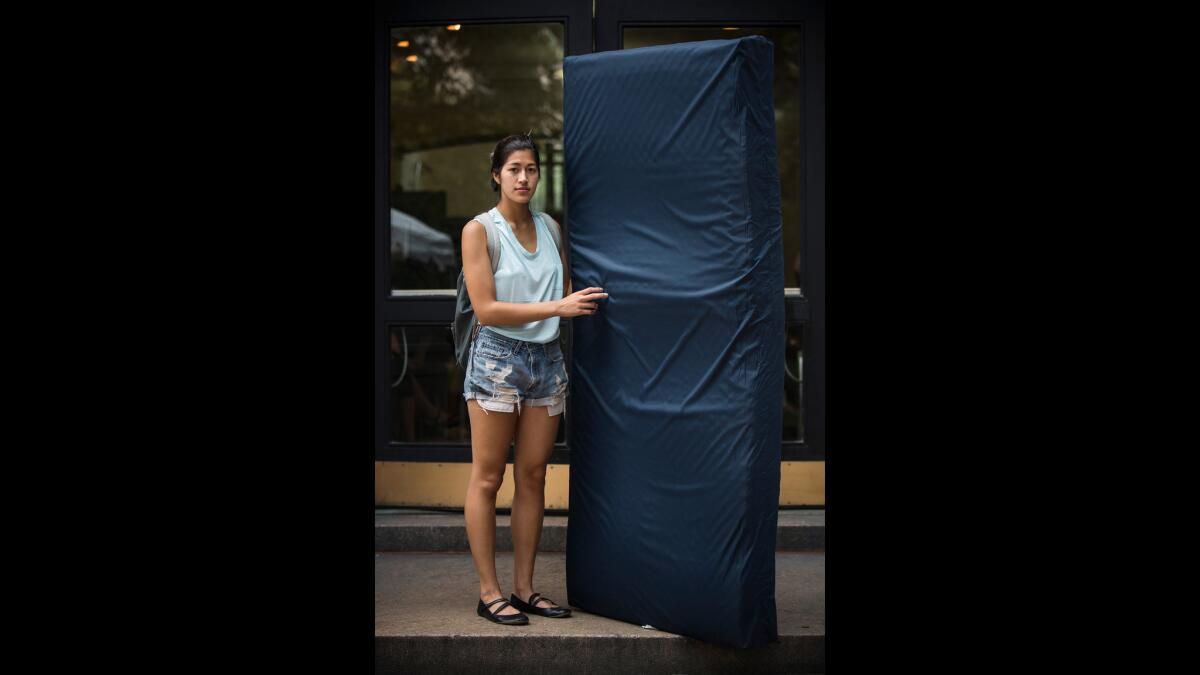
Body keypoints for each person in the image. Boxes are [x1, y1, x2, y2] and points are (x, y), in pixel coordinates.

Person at [461, 133, 608, 625]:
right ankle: (489, 592)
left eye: (531, 169)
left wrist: (574, 299)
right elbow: (486, 309)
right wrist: (557, 307)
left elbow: (562, 287)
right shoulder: (480, 231)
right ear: (496, 175)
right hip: (497, 360)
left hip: (546, 360)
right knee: (488, 477)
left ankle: (523, 589)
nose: (523, 178)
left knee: (533, 476)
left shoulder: (550, 226)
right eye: (513, 169)